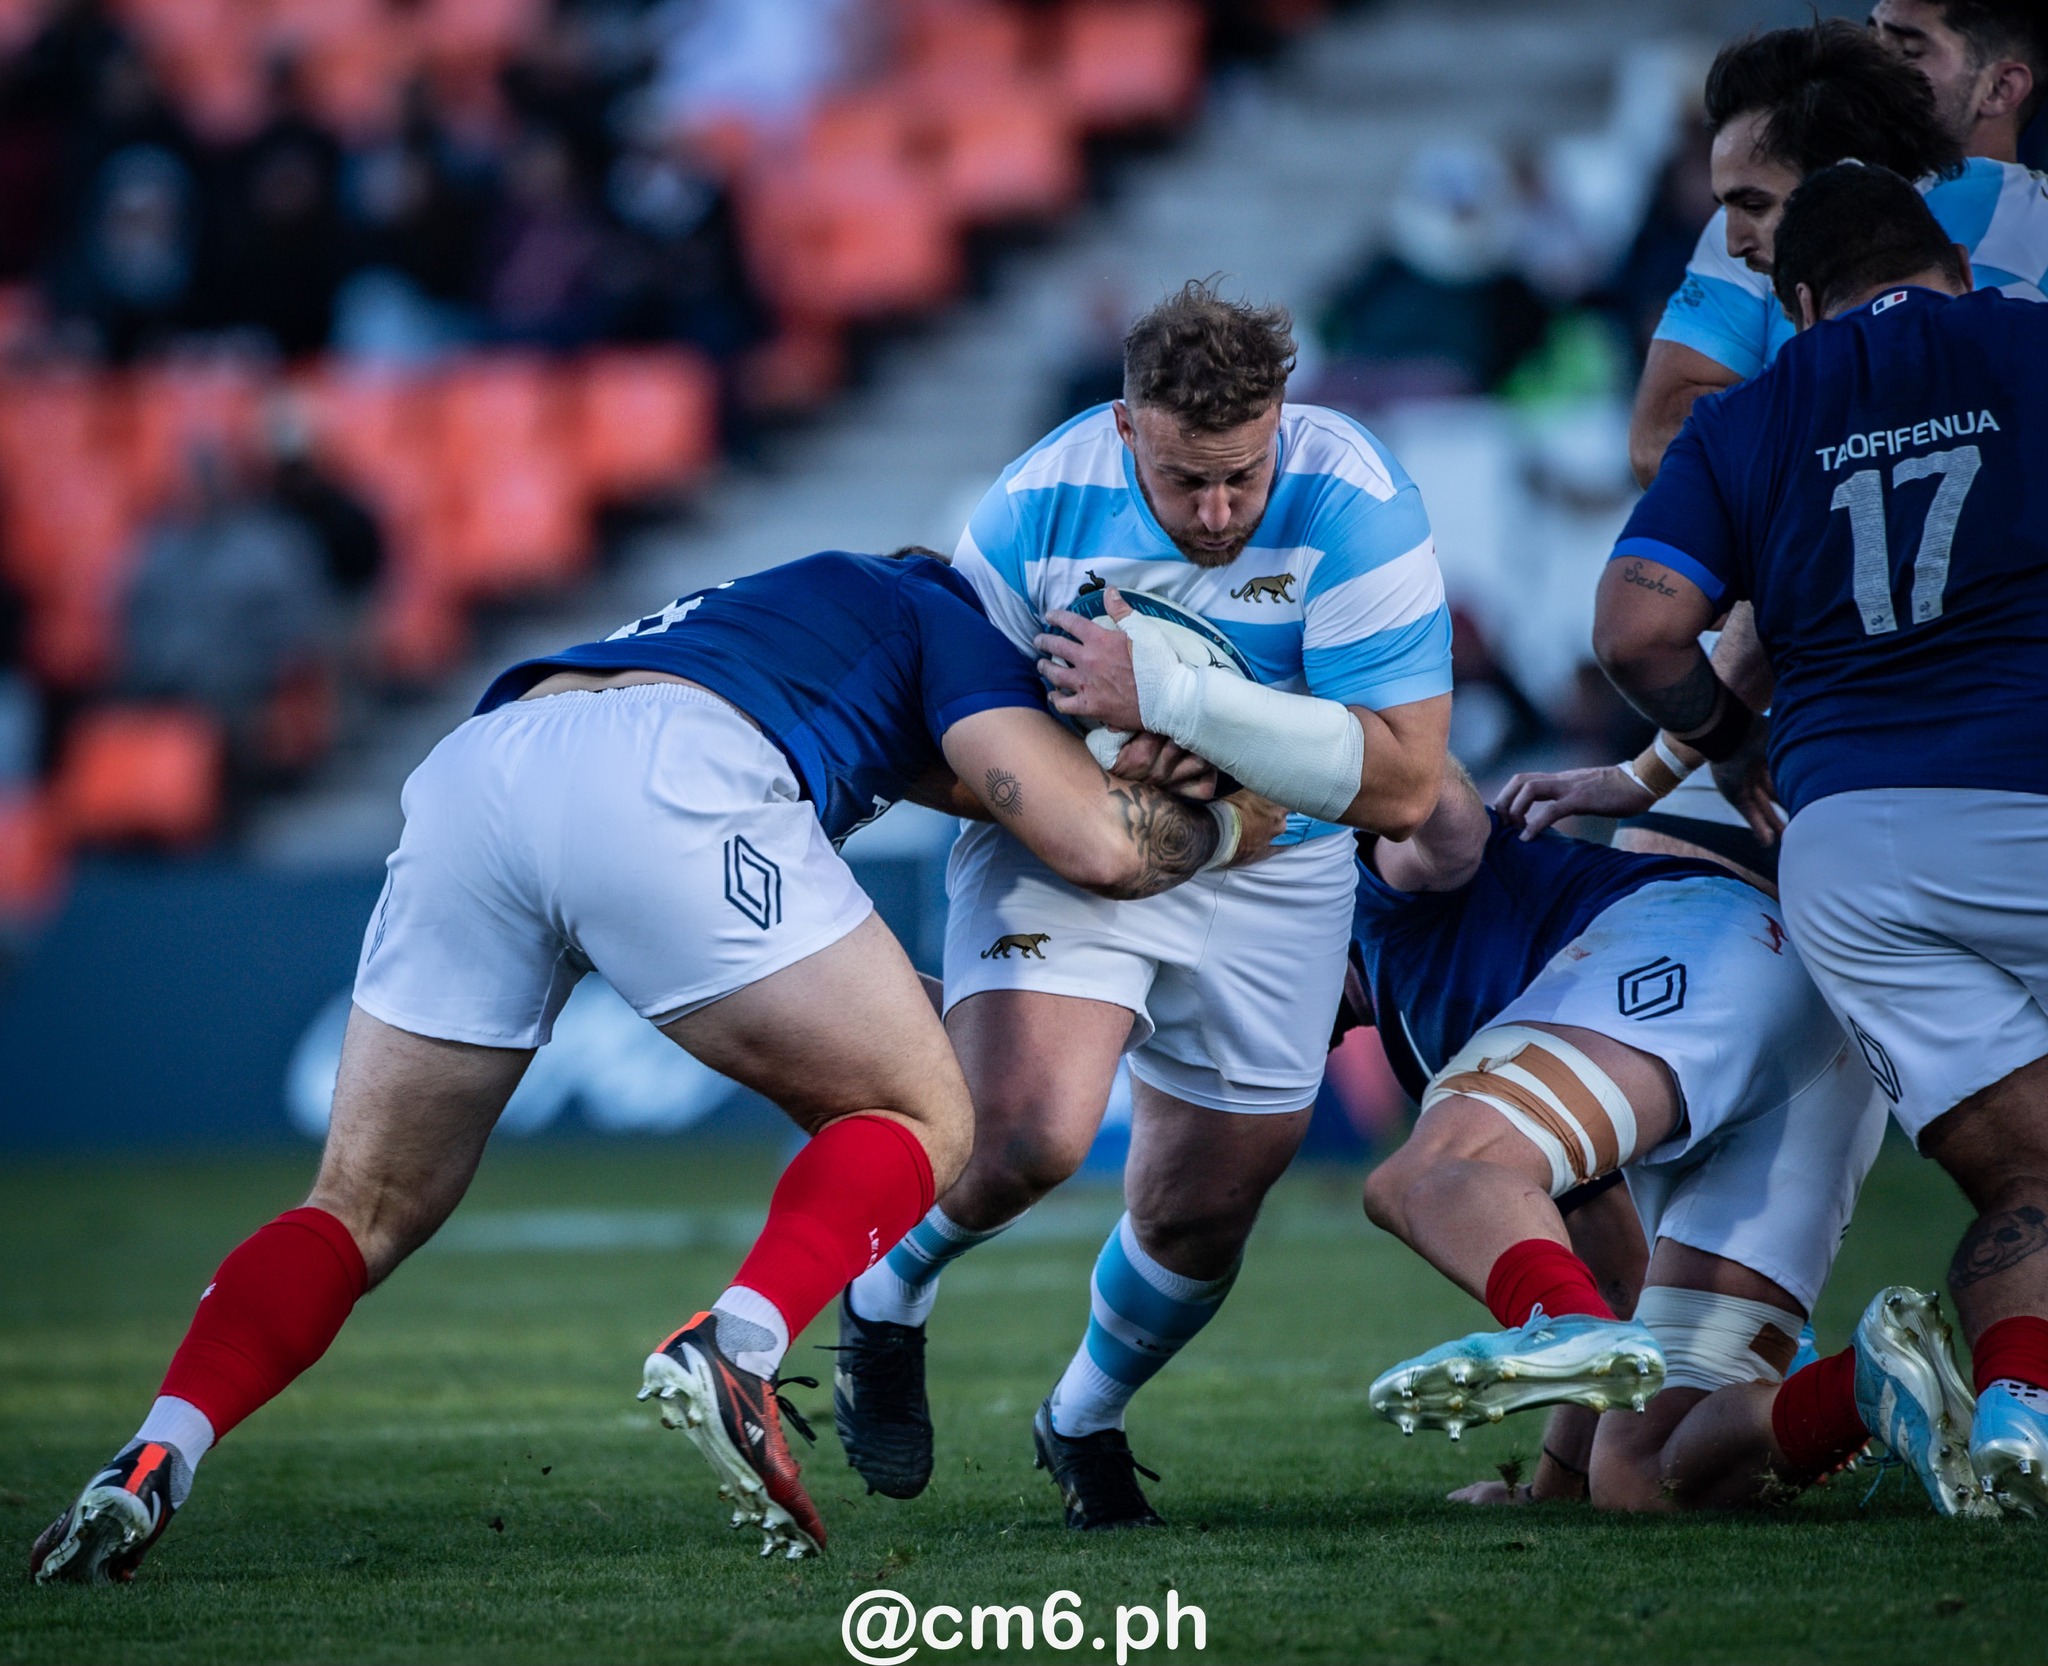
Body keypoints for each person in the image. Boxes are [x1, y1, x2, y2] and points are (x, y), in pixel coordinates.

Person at [30, 546, 1276, 1584]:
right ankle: (737, 1341)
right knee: (921, 1114)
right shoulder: (939, 612)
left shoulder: (781, 612)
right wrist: (1233, 813)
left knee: (358, 1207)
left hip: (482, 769)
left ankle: (156, 1451)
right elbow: (1089, 842)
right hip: (664, 774)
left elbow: (952, 796)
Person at [833, 282, 1452, 1529]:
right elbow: (940, 749)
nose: (1217, 512)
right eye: (1183, 481)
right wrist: (1102, 786)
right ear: (1125, 428)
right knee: (1025, 1134)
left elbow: (1401, 785)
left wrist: (1173, 702)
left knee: (1203, 1205)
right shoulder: (1029, 511)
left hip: (1278, 861)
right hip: (1075, 844)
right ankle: (883, 1296)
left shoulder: (1358, 499)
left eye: (1241, 477)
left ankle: (1081, 1418)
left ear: (1283, 418)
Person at [1586, 163, 2048, 1516]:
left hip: (1841, 846)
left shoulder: (1752, 410)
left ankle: (2019, 1411)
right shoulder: (2026, 340)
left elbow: (1634, 630)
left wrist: (1730, 741)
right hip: (2024, 789)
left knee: (2024, 1174)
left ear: (1796, 301)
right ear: (1949, 262)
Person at [1342, 760, 1969, 1514]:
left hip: (1712, 949)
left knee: (1425, 1173)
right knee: (1644, 1477)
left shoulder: (1376, 884)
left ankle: (1557, 1326)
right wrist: (1553, 1489)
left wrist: (1294, 737)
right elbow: (1617, 1276)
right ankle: (1875, 1386)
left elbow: (1433, 790)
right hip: (1812, 1041)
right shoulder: (1416, 1023)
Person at [1629, 17, 2045, 488]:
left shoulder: (2023, 225)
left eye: (1755, 205)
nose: (1731, 241)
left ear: (1844, 176)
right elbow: (1656, 445)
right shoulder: (1746, 242)